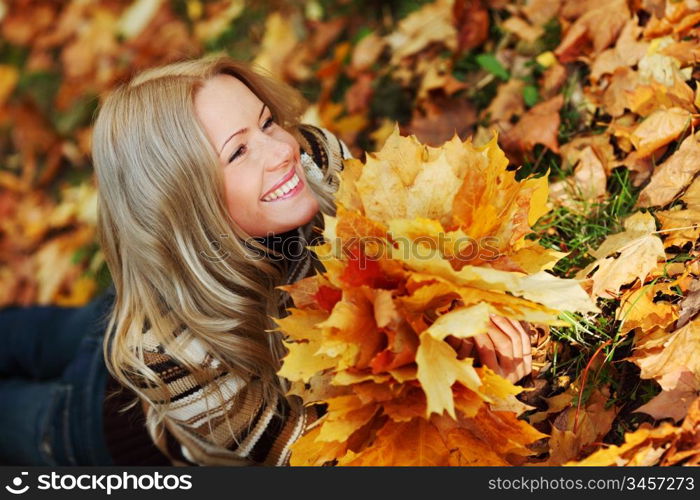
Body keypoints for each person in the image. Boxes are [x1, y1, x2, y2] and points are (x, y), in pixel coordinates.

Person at [0, 53, 532, 467]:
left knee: (56, 333)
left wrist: (459, 327)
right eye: (238, 151)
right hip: (105, 421)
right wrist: (461, 394)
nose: (280, 151)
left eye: (266, 123)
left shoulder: (311, 161)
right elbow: (318, 456)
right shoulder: (175, 355)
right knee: (25, 373)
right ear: (183, 205)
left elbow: (405, 260)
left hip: (165, 295)